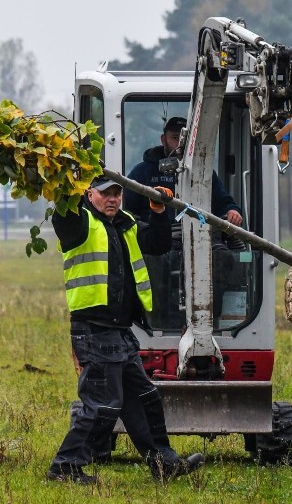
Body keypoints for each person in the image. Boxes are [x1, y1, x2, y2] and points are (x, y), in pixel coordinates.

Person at [46, 176, 205, 485]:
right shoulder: (79, 224)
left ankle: (163, 463)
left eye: (117, 193)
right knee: (102, 404)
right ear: (89, 194)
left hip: (120, 331)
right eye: (106, 194)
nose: (113, 199)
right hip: (93, 329)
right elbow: (62, 215)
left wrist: (159, 210)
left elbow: (158, 245)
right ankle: (64, 467)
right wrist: (67, 181)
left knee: (144, 397)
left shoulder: (126, 223)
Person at [125, 116, 243, 230]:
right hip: (155, 241)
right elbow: (127, 209)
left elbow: (222, 202)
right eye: (175, 138)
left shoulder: (204, 173)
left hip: (199, 236)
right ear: (163, 139)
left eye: (185, 139)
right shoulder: (142, 171)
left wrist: (232, 211)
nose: (180, 144)